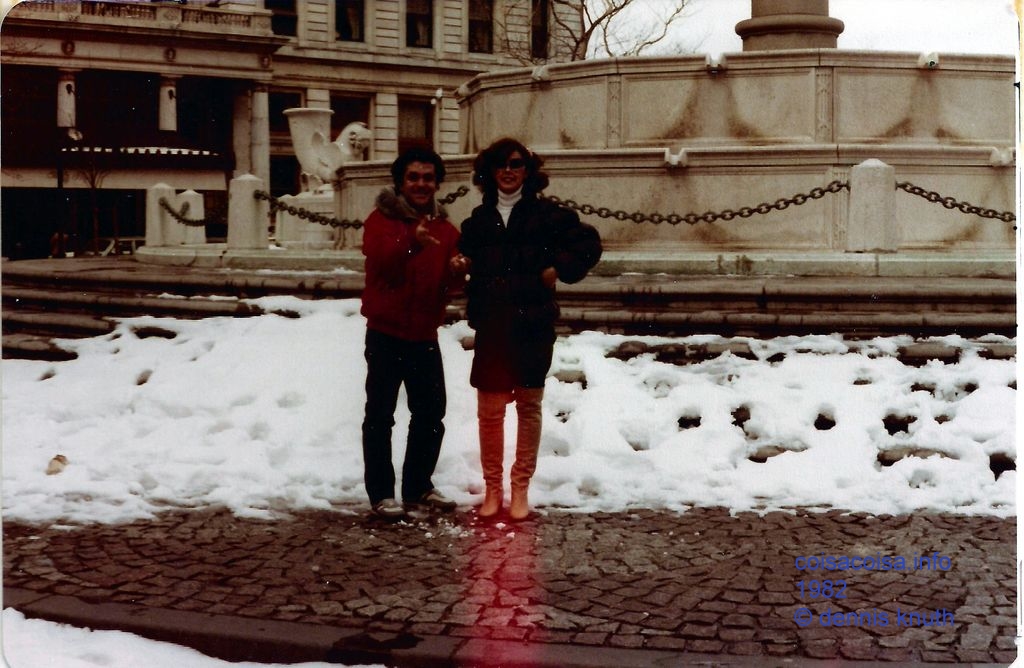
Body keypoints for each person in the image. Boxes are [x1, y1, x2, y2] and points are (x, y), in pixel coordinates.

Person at [457, 138, 602, 521]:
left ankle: (520, 486)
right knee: (489, 411)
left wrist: (560, 269)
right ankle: (492, 488)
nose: (509, 171)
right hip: (492, 324)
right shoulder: (478, 221)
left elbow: (588, 243)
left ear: (528, 170)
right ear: (488, 172)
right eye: (501, 165)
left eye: (517, 164)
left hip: (532, 323)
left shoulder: (547, 215)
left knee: (528, 406)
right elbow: (464, 258)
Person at [360, 147, 466, 521]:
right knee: (380, 415)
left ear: (437, 182)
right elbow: (381, 264)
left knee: (430, 414)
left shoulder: (446, 228)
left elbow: (450, 287)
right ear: (401, 183)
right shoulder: (381, 220)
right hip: (386, 333)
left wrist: (457, 269)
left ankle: (418, 486)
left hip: (423, 335)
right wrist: (411, 242)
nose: (421, 184)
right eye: (413, 177)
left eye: (427, 177)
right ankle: (381, 493)